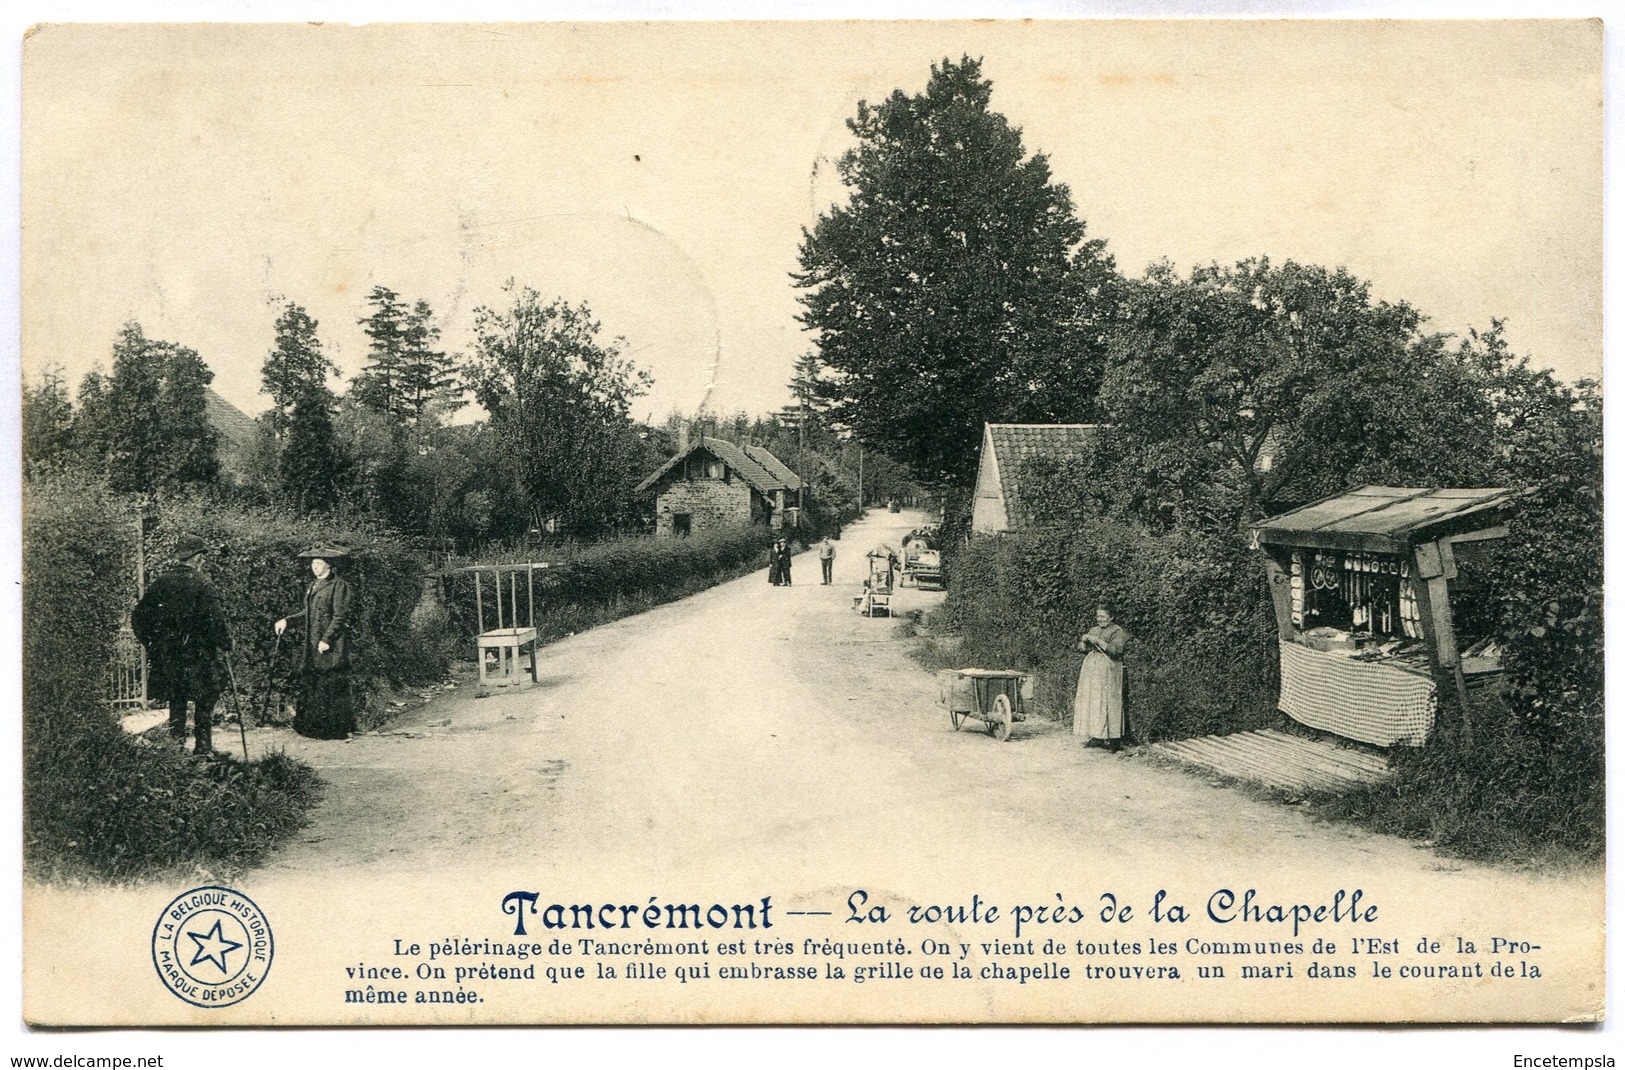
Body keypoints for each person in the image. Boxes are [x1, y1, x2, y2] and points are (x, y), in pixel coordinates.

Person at [131, 533, 232, 757]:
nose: (203, 561)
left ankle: (175, 747)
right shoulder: (203, 584)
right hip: (198, 655)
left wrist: (153, 644)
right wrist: (225, 643)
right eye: (202, 556)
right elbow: (216, 620)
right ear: (196, 558)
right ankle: (203, 749)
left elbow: (139, 617)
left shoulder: (161, 583)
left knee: (177, 698)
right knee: (205, 698)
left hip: (170, 655)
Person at [275, 545, 356, 740]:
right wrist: (287, 620)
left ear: (328, 565)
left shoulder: (339, 585)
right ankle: (312, 728)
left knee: (330, 681)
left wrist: (327, 639)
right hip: (312, 642)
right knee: (313, 681)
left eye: (319, 563)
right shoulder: (314, 585)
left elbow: (340, 616)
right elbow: (308, 614)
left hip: (330, 644)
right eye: (313, 563)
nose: (315, 567)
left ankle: (334, 730)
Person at [1074, 604, 1130, 751]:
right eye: (1098, 616)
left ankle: (1114, 739)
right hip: (1092, 670)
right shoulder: (1094, 630)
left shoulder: (1118, 631)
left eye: (1103, 617)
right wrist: (1083, 642)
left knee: (1109, 701)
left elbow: (1116, 651)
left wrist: (1098, 641)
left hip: (1109, 670)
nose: (1100, 620)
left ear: (1111, 617)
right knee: (1093, 701)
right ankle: (1096, 736)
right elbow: (1083, 649)